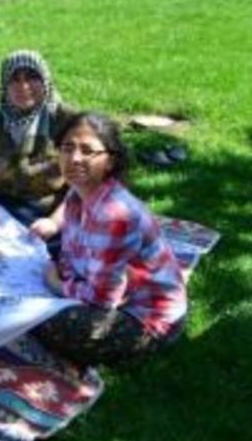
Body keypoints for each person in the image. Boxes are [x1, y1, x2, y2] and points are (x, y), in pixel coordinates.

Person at [34, 112, 187, 367]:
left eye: (88, 151)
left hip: (148, 319)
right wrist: (65, 275)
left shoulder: (114, 216)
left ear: (109, 161)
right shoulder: (75, 195)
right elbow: (70, 254)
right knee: (35, 305)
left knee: (46, 321)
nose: (74, 158)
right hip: (115, 293)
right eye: (67, 147)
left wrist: (56, 284)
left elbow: (102, 300)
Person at [0, 50, 73, 254]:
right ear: (5, 85)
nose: (24, 87)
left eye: (32, 78)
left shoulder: (66, 122)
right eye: (15, 80)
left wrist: (54, 223)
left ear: (45, 80)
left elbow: (86, 186)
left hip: (51, 216)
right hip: (2, 214)